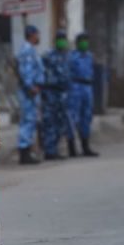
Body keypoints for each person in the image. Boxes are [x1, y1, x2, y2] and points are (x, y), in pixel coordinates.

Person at [41, 30, 73, 159]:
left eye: (63, 39)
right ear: (55, 41)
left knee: (61, 122)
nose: (62, 42)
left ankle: (54, 149)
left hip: (62, 93)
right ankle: (49, 150)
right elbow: (42, 73)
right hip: (51, 92)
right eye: (59, 39)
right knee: (50, 122)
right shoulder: (48, 56)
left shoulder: (67, 56)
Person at [15, 25, 44, 165]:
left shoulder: (31, 49)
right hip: (29, 92)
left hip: (32, 91)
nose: (39, 37)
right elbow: (25, 71)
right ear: (32, 35)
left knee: (31, 120)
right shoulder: (27, 50)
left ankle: (27, 150)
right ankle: (24, 152)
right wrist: (30, 86)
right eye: (37, 34)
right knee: (27, 120)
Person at [68, 32, 99, 157]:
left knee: (87, 117)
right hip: (76, 87)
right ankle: (71, 147)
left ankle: (85, 146)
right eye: (82, 41)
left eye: (86, 41)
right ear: (77, 43)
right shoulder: (72, 57)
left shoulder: (90, 56)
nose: (85, 43)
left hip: (87, 87)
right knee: (73, 117)